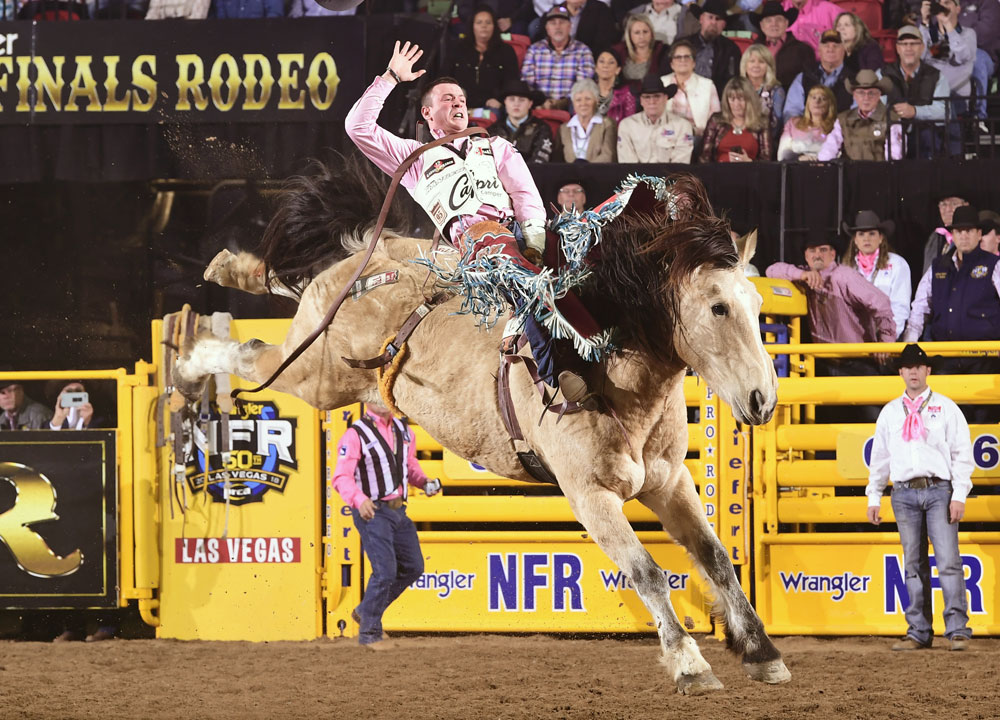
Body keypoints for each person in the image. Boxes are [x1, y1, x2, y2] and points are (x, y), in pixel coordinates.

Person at [346, 41, 602, 403]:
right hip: (477, 244)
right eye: (448, 99)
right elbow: (357, 126)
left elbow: (525, 193)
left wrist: (534, 240)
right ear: (428, 112)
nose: (458, 103)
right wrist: (390, 78)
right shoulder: (414, 158)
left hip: (519, 233)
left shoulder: (495, 145)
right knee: (524, 280)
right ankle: (556, 375)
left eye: (462, 99)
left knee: (587, 248)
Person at [865, 343, 973, 652]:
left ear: (928, 370)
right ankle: (919, 631)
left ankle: (956, 630)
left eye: (919, 365)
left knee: (948, 561)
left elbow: (961, 453)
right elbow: (880, 458)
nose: (913, 370)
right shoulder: (890, 413)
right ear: (901, 372)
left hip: (940, 489)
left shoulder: (946, 408)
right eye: (908, 366)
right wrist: (874, 496)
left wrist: (959, 493)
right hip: (903, 492)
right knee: (913, 564)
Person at [332, 402, 442, 649]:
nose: (381, 400)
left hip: (397, 510)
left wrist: (424, 482)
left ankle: (366, 610)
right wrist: (359, 500)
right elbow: (341, 476)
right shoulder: (355, 434)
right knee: (384, 571)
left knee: (413, 566)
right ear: (367, 402)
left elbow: (409, 465)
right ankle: (370, 634)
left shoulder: (404, 431)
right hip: (373, 511)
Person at [765, 230, 896, 375]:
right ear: (806, 256)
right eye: (812, 250)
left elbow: (881, 302)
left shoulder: (844, 276)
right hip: (824, 361)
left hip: (856, 361)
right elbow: (772, 270)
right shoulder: (804, 276)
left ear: (833, 254)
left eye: (823, 250)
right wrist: (802, 275)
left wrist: (886, 341)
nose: (817, 255)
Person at [841, 210, 912, 339]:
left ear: (880, 238)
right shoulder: (847, 268)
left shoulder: (897, 264)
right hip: (854, 338)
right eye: (861, 234)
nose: (866, 238)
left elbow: (900, 307)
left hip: (886, 336)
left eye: (872, 234)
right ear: (855, 240)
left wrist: (888, 337)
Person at [881, 25, 949, 160]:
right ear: (897, 48)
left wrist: (915, 111)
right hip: (892, 134)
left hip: (924, 137)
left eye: (914, 44)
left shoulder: (937, 76)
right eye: (904, 44)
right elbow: (875, 108)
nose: (909, 48)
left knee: (929, 136)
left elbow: (944, 112)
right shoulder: (882, 74)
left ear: (922, 47)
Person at [816, 69, 904, 161]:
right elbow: (830, 147)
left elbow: (895, 156)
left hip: (880, 173)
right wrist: (823, 164)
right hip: (850, 173)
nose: (866, 98)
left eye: (871, 93)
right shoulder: (843, 119)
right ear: (854, 95)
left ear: (879, 95)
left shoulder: (892, 119)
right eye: (861, 93)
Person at [445, 5, 521, 112]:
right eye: (479, 22)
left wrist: (499, 100)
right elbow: (445, 77)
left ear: (494, 26)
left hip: (492, 105)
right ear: (472, 26)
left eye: (488, 23)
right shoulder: (458, 48)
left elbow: (512, 82)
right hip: (459, 103)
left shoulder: (506, 51)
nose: (484, 26)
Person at [521, 5, 597, 109]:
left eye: (562, 22)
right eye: (553, 23)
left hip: (570, 106)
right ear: (547, 29)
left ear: (569, 27)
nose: (557, 27)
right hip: (539, 105)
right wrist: (541, 102)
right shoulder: (534, 50)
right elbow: (527, 83)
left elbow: (582, 87)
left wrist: (561, 102)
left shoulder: (583, 51)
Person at [617, 74, 694, 162]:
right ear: (641, 100)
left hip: (669, 175)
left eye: (657, 96)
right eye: (647, 97)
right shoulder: (627, 126)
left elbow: (680, 166)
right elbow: (627, 166)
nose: (652, 101)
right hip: (637, 175)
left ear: (666, 98)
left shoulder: (682, 126)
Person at [783, 29, 852, 124]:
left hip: (843, 134)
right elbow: (791, 112)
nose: (830, 49)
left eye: (835, 46)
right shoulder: (803, 78)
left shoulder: (855, 80)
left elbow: (855, 115)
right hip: (807, 134)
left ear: (845, 50)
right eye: (826, 45)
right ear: (819, 50)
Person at [699, 76, 773, 162]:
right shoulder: (716, 120)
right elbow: (704, 157)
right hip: (718, 172)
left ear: (750, 99)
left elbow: (766, 159)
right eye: (732, 99)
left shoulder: (762, 122)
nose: (736, 104)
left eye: (741, 99)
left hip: (751, 172)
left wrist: (749, 162)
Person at [678, 0, 743, 95]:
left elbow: (732, 80)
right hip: (683, 95)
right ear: (701, 19)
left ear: (723, 24)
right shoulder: (683, 44)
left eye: (718, 19)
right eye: (710, 17)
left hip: (716, 98)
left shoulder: (731, 49)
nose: (713, 22)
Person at [661, 37, 721, 136]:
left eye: (687, 57)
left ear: (694, 63)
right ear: (672, 64)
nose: (682, 60)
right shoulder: (662, 82)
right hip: (667, 134)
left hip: (697, 136)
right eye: (678, 57)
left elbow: (716, 119)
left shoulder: (707, 85)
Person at [920, 0, 977, 99]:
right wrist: (925, 22)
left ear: (957, 9)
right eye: (939, 3)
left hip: (955, 97)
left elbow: (963, 57)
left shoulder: (968, 34)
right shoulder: (927, 33)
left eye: (947, 2)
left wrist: (948, 26)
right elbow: (917, 58)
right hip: (929, 95)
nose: (942, 6)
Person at [751, 0, 815, 89]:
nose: (774, 24)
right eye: (769, 20)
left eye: (779, 19)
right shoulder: (752, 51)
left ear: (786, 23)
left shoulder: (803, 50)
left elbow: (809, 83)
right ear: (761, 25)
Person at [487, 80, 555, 163]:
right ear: (505, 102)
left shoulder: (542, 128)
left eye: (521, 100)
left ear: (530, 103)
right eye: (512, 99)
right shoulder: (493, 129)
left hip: (532, 174)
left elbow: (540, 161)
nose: (516, 104)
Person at [556, 79, 619, 161]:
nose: (583, 103)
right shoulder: (563, 129)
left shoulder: (607, 124)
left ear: (596, 101)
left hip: (598, 173)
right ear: (573, 103)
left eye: (588, 99)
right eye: (578, 100)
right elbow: (557, 159)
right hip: (568, 173)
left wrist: (585, 170)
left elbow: (608, 156)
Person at [610, 13, 672, 94]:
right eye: (637, 32)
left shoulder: (662, 52)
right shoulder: (619, 51)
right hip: (624, 97)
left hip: (652, 97)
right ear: (629, 35)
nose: (641, 36)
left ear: (651, 33)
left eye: (645, 32)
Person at [959, 0, 1000, 119]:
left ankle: (978, 116)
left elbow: (985, 34)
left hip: (984, 55)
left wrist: (953, 31)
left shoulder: (989, 3)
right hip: (950, 52)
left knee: (976, 57)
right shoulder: (945, 3)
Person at [776, 84, 835, 160]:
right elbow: (783, 154)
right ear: (808, 102)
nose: (817, 102)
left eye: (823, 99)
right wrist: (800, 158)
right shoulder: (793, 124)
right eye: (813, 98)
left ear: (830, 104)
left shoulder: (837, 127)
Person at [740, 43, 787, 137]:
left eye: (761, 62)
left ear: (768, 66)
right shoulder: (737, 87)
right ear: (745, 65)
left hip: (766, 140)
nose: (756, 65)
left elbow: (776, 124)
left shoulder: (776, 91)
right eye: (752, 61)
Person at [921, 194, 968, 273]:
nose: (948, 209)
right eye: (944, 204)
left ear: (966, 206)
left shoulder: (973, 237)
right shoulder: (936, 236)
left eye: (954, 204)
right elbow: (928, 272)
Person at [594, 48, 638, 124]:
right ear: (596, 68)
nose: (605, 65)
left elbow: (629, 124)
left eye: (611, 62)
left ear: (618, 70)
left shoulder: (626, 93)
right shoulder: (587, 90)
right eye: (601, 61)